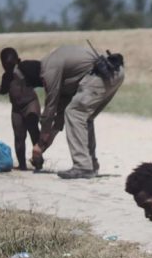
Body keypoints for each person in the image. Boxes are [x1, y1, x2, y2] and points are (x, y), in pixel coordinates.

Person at [29, 45, 125, 179]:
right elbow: (61, 112)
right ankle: (90, 165)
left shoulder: (48, 68)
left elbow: (50, 107)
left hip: (101, 72)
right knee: (84, 116)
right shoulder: (66, 74)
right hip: (115, 71)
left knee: (75, 113)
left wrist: (41, 141)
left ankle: (82, 166)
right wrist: (49, 138)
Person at [0, 48, 42, 170]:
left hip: (30, 104)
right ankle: (22, 165)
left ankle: (38, 161)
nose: (8, 69)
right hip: (16, 109)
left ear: (17, 61)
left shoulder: (23, 71)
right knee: (19, 137)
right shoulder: (6, 76)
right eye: (5, 66)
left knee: (34, 132)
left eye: (10, 66)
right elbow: (3, 90)